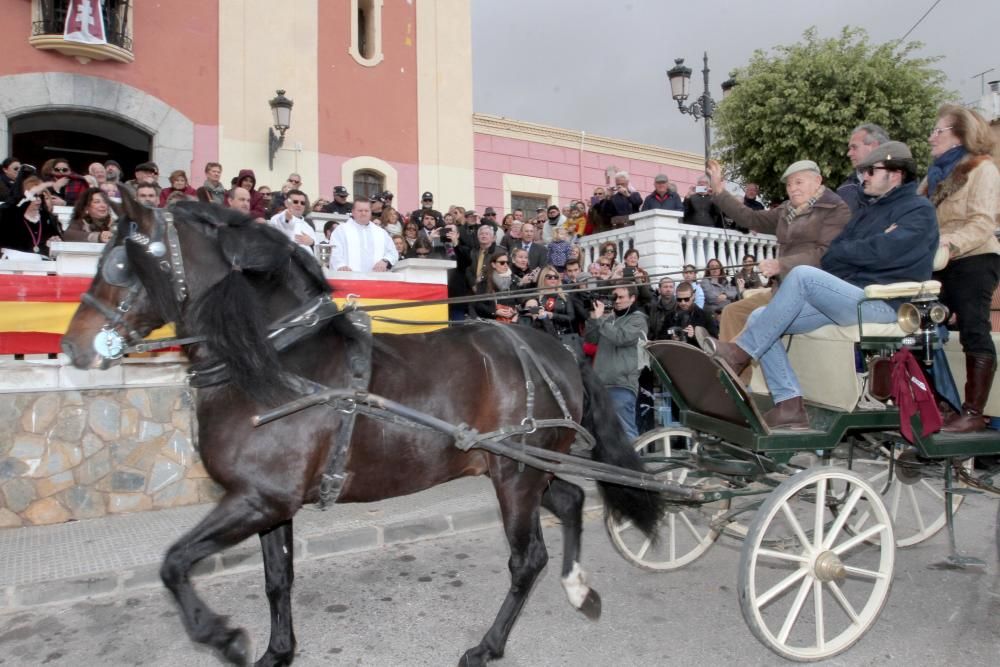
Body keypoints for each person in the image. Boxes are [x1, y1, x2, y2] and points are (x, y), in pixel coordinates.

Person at [712, 141, 938, 429]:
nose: (863, 177)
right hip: (855, 298)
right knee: (759, 317)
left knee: (803, 275)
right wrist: (865, 249)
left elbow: (883, 252)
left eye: (870, 170)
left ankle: (739, 353)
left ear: (895, 173)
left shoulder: (918, 210)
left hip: (887, 305)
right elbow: (834, 255)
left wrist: (860, 251)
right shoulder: (869, 212)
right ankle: (789, 403)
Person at [707, 158, 851, 343]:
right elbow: (751, 218)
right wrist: (719, 191)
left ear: (817, 181)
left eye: (798, 182)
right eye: (789, 184)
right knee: (732, 312)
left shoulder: (836, 209)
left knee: (758, 317)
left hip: (814, 295)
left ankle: (733, 355)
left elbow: (826, 253)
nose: (792, 188)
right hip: (782, 290)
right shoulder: (786, 210)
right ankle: (730, 369)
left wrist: (781, 265)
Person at [921, 105, 1000, 432]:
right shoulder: (933, 175)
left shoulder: (983, 170)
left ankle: (973, 412)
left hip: (975, 258)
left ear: (959, 135)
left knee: (973, 327)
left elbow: (982, 222)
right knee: (918, 324)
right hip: (936, 261)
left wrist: (950, 244)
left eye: (938, 131)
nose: (931, 137)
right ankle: (939, 402)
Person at [584, 282, 648, 441]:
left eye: (621, 297)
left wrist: (601, 320)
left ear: (632, 298)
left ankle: (632, 463)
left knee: (626, 431)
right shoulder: (608, 319)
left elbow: (621, 338)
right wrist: (593, 318)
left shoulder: (639, 320)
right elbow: (591, 338)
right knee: (603, 433)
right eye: (615, 297)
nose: (617, 301)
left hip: (622, 384)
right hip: (601, 382)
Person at [0, 173, 63, 256]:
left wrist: (54, 242)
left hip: (42, 263)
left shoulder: (47, 217)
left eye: (40, 196)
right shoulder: (9, 215)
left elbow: (57, 245)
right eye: (34, 196)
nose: (38, 200)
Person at [329, 199, 399, 272]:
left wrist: (385, 261)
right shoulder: (341, 230)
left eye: (366, 211)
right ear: (353, 212)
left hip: (375, 279)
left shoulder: (381, 232)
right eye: (360, 211)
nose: (363, 213)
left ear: (371, 212)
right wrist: (341, 265)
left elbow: (393, 252)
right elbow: (334, 251)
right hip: (349, 278)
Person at [837, 123, 890, 213]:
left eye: (854, 147)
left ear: (874, 146)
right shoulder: (844, 191)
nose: (849, 153)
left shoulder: (901, 185)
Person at [660, 281, 717, 345]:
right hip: (676, 352)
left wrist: (696, 335)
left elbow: (714, 341)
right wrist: (671, 337)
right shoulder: (670, 316)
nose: (683, 303)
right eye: (679, 299)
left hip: (697, 353)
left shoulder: (705, 316)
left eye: (686, 299)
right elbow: (661, 337)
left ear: (693, 296)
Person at [472, 250, 519, 322]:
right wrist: (495, 312)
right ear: (493, 264)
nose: (506, 265)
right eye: (502, 263)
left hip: (512, 320)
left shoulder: (513, 280)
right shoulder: (484, 282)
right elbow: (479, 305)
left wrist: (514, 311)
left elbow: (518, 301)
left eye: (508, 262)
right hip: (492, 321)